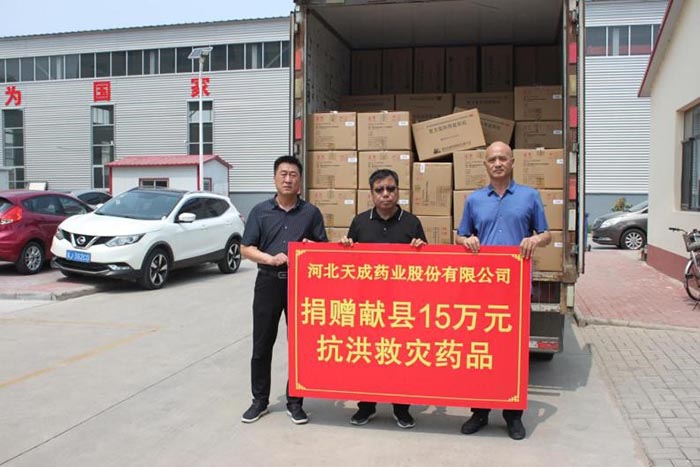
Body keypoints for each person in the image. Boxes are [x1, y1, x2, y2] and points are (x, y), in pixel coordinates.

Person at [455, 141, 552, 441]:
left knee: (512, 355)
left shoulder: (529, 196)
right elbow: (459, 235)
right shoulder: (474, 200)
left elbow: (547, 234)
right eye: (492, 159)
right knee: (480, 352)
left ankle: (513, 416)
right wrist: (466, 241)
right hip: (482, 288)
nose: (497, 163)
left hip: (515, 290)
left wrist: (535, 240)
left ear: (512, 162)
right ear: (485, 165)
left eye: (502, 158)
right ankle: (480, 412)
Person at [240, 155, 328, 425]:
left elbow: (323, 248)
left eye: (293, 175)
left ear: (300, 181)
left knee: (300, 345)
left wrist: (311, 248)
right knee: (262, 344)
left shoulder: (311, 213)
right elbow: (246, 248)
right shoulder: (260, 211)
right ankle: (259, 400)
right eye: (283, 174)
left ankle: (295, 401)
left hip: (300, 285)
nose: (288, 179)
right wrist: (270, 258)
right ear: (275, 178)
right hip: (268, 282)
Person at [340, 168, 427, 429]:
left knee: (401, 357)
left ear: (398, 191)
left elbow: (427, 264)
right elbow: (347, 263)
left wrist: (420, 249)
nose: (386, 194)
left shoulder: (412, 222)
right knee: (367, 355)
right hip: (369, 304)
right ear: (371, 194)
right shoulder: (360, 222)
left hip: (402, 305)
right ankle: (366, 406)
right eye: (379, 190)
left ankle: (402, 408)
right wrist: (345, 248)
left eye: (390, 189)